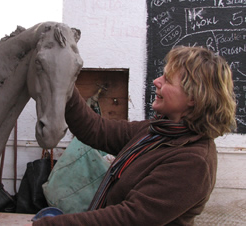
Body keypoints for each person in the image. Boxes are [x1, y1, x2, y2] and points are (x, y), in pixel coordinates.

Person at [31, 46, 237, 225]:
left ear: (193, 97)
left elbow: (128, 219)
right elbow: (95, 129)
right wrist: (65, 82)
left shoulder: (193, 162)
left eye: (168, 80)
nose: (157, 81)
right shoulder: (155, 132)